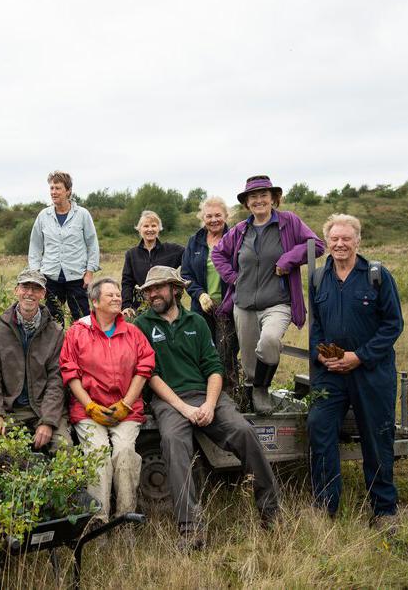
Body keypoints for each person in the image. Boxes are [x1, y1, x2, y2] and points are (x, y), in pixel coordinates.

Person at [132, 266, 280, 551]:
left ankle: (270, 512)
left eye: (158, 288)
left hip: (207, 395)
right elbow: (150, 375)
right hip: (169, 400)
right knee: (174, 442)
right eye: (148, 290)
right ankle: (190, 530)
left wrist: (210, 405)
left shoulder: (196, 322)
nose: (152, 294)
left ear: (175, 289)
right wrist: (185, 409)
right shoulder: (142, 326)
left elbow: (214, 368)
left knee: (244, 432)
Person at [307, 214, 405, 531]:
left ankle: (384, 510)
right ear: (327, 241)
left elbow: (393, 325)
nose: (340, 244)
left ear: (357, 240)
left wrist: (359, 357)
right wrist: (322, 356)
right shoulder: (319, 278)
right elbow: (316, 327)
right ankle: (325, 507)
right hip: (332, 373)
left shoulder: (377, 276)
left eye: (346, 238)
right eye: (334, 238)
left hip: (372, 373)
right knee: (319, 428)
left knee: (377, 438)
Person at [211, 175, 325, 414]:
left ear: (274, 199)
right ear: (247, 203)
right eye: (253, 196)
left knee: (270, 340)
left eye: (264, 195)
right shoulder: (241, 230)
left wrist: (289, 258)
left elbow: (317, 245)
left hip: (278, 302)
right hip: (243, 304)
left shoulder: (289, 222)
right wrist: (234, 279)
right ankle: (254, 391)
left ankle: (262, 388)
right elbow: (218, 254)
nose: (259, 200)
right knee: (250, 356)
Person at [60, 277, 154, 524]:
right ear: (94, 301)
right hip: (88, 409)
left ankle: (125, 519)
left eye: (118, 295)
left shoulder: (132, 332)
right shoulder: (77, 332)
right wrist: (90, 405)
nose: (116, 298)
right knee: (98, 456)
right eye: (110, 295)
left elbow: (144, 368)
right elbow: (70, 372)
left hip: (126, 409)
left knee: (124, 454)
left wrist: (126, 404)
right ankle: (98, 521)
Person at [0, 269, 71, 451]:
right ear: (16, 290)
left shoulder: (55, 332)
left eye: (36, 288)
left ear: (43, 294)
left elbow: (57, 381)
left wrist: (47, 421)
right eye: (25, 287)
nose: (29, 293)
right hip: (10, 410)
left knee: (64, 448)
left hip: (43, 408)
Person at [181, 197, 240, 396]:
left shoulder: (235, 237)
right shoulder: (195, 241)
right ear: (202, 217)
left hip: (228, 307)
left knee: (226, 355)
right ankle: (201, 396)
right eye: (209, 216)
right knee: (201, 353)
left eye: (218, 215)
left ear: (226, 216)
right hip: (201, 309)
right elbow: (186, 275)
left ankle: (231, 398)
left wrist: (229, 300)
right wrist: (200, 295)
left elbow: (243, 271)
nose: (213, 220)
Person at [28, 171, 100, 326]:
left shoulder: (82, 215)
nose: (53, 192)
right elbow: (35, 246)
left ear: (68, 191)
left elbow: (92, 244)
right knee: (51, 322)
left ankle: (82, 349)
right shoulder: (43, 216)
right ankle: (56, 350)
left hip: (77, 278)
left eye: (58, 188)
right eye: (51, 188)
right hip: (51, 278)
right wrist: (36, 273)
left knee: (82, 320)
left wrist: (89, 272)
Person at [121, 210, 184, 318]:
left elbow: (192, 256)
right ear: (139, 229)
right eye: (146, 226)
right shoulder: (131, 254)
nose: (150, 229)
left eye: (153, 226)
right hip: (141, 307)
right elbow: (127, 282)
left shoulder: (173, 250)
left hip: (168, 305)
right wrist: (126, 305)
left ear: (159, 228)